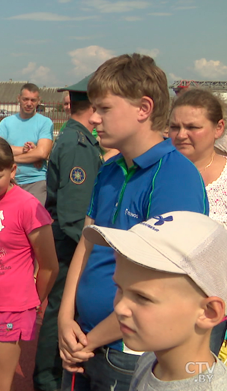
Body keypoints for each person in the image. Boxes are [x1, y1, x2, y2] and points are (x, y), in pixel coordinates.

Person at [57, 53, 209, 391]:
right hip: (84, 338)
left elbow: (165, 281)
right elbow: (87, 240)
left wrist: (90, 339)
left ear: (144, 108)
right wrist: (65, 319)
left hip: (128, 352)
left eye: (104, 108)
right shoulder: (110, 169)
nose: (93, 118)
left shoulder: (174, 177)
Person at [83, 211, 227, 390]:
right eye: (119, 288)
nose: (120, 308)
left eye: (142, 297)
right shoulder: (151, 359)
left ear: (209, 312)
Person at [0, 136, 59, 391]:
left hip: (9, 308)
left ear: (12, 169)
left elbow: (49, 265)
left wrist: (33, 302)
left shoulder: (28, 207)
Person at [34, 74, 103, 391]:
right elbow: (74, 216)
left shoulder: (77, 138)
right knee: (60, 310)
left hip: (66, 240)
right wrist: (94, 255)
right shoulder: (78, 145)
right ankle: (48, 378)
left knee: (61, 309)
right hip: (70, 243)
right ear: (92, 106)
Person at [168, 88, 227, 227]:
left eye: (192, 127)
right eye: (175, 127)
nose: (181, 135)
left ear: (218, 128)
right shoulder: (156, 172)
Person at [0, 83, 54, 205]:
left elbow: (42, 153)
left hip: (36, 182)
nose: (29, 103)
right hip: (10, 182)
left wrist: (11, 158)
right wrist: (27, 151)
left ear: (39, 101)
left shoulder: (45, 123)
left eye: (33, 100)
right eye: (25, 99)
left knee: (35, 222)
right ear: (19, 99)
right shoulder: (6, 123)